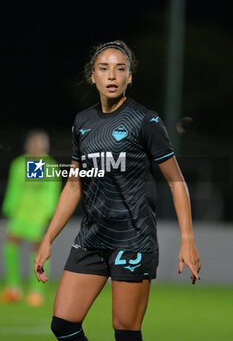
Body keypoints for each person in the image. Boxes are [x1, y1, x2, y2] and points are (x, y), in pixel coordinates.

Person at [34, 40, 201, 340]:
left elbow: (177, 182)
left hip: (133, 239)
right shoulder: (82, 122)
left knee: (125, 332)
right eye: (104, 68)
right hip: (92, 237)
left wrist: (187, 240)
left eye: (120, 69)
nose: (112, 75)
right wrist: (48, 239)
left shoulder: (145, 121)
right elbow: (74, 185)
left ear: (129, 77)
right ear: (93, 76)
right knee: (63, 324)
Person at [1, 129, 61, 306]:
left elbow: (52, 192)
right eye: (33, 142)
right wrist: (9, 207)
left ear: (45, 146)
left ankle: (37, 291)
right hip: (20, 212)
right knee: (11, 245)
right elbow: (14, 187)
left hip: (38, 214)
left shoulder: (49, 165)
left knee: (38, 250)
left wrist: (48, 212)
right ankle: (13, 288)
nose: (35, 146)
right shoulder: (19, 164)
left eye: (39, 143)